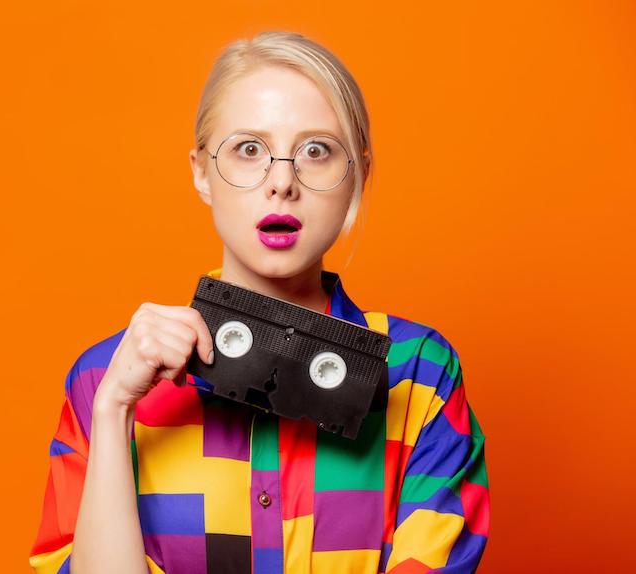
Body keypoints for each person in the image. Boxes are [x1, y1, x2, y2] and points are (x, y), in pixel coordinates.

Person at [28, 30, 490, 574]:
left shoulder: (417, 374)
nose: (281, 182)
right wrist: (113, 413)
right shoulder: (102, 379)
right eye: (249, 150)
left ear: (357, 175)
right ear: (201, 172)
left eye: (316, 151)